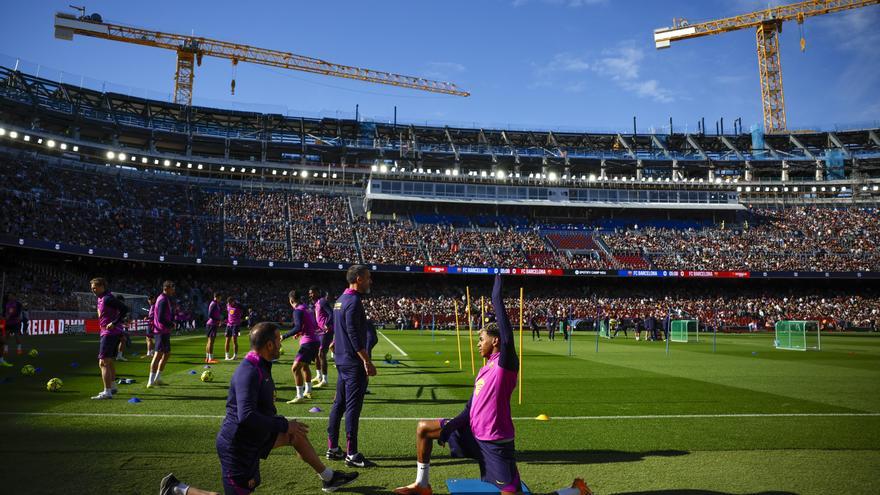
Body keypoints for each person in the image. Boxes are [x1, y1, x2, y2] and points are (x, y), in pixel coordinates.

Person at [393, 275, 591, 495]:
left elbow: (507, 337)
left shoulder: (505, 365)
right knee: (424, 428)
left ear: (495, 341)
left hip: (495, 443)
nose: (478, 344)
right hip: (472, 433)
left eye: (482, 339)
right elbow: (470, 409)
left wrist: (496, 295)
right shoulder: (484, 369)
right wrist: (450, 427)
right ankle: (422, 485)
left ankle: (576, 491)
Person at [161, 322, 359, 495]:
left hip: (256, 436)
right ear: (269, 345)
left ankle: (329, 478)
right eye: (278, 340)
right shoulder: (248, 372)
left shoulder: (262, 364)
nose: (281, 344)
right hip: (238, 446)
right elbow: (246, 416)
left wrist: (284, 426)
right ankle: (177, 489)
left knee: (296, 434)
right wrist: (283, 424)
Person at [326, 265, 377, 468]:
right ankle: (352, 454)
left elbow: (341, 330)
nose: (370, 281)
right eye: (368, 277)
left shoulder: (340, 300)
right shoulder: (354, 301)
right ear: (358, 278)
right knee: (352, 409)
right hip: (353, 363)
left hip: (341, 360)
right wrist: (366, 360)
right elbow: (354, 335)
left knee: (338, 404)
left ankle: (332, 448)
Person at [89, 278, 129, 400]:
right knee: (109, 361)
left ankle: (107, 392)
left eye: (94, 288)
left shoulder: (107, 298)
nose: (93, 290)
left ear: (102, 286)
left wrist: (114, 322)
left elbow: (124, 309)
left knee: (103, 362)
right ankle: (112, 387)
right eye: (92, 288)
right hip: (109, 332)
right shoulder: (101, 298)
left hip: (109, 333)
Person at [283, 289, 320, 404]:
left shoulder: (297, 311)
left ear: (291, 300)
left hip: (308, 342)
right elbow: (311, 325)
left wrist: (284, 336)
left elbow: (298, 327)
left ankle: (299, 396)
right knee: (305, 366)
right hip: (315, 340)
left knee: (295, 368)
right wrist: (300, 333)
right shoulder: (307, 308)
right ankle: (308, 391)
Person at [148, 280, 175, 388]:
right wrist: (171, 324)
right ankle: (150, 381)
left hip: (164, 331)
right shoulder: (163, 299)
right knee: (157, 355)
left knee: (167, 354)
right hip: (161, 331)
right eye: (172, 287)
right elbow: (160, 318)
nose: (173, 290)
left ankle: (158, 378)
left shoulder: (164, 298)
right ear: (166, 288)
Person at [311, 287, 333, 388]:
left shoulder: (323, 301)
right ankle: (319, 376)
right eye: (310, 293)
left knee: (322, 353)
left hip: (326, 331)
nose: (310, 295)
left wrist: (327, 324)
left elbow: (331, 313)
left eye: (312, 293)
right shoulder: (316, 304)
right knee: (316, 354)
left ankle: (325, 380)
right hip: (319, 331)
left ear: (317, 292)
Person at [205, 293, 224, 364]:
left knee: (209, 341)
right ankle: (210, 358)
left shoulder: (216, 304)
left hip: (212, 324)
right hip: (212, 324)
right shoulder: (213, 303)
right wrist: (217, 320)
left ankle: (207, 358)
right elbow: (210, 314)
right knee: (211, 341)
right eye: (220, 297)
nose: (220, 299)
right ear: (217, 297)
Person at [115, 294, 132, 361]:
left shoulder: (118, 308)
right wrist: (123, 322)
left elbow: (119, 318)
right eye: (122, 301)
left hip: (118, 327)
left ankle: (119, 355)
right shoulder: (115, 308)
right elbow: (116, 318)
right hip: (115, 327)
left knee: (123, 339)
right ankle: (117, 355)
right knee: (122, 340)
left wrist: (123, 323)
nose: (122, 303)